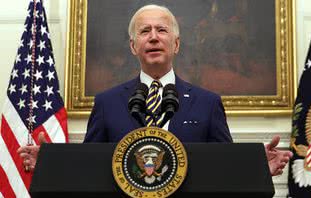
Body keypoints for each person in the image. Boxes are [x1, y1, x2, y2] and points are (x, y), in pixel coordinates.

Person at [18, 4, 292, 176]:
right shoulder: (107, 102)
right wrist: (52, 163)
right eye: (144, 31)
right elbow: (91, 165)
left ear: (176, 44)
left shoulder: (207, 103)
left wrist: (257, 168)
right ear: (133, 46)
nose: (153, 36)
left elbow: (224, 166)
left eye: (162, 30)